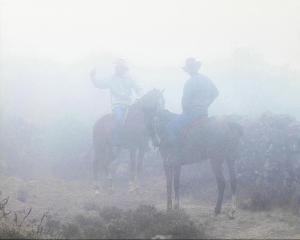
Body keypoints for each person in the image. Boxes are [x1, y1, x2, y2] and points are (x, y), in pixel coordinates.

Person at [166, 57, 219, 145]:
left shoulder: (190, 82)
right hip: (204, 113)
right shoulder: (206, 79)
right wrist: (207, 104)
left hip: (191, 114)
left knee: (170, 127)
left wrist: (185, 111)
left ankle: (175, 151)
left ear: (188, 70)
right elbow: (216, 93)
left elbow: (185, 101)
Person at [90, 59, 141, 145]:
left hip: (129, 105)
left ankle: (141, 142)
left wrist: (139, 92)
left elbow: (137, 88)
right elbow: (99, 84)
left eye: (122, 68)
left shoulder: (129, 79)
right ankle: (118, 139)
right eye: (118, 68)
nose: (119, 69)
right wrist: (92, 77)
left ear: (124, 69)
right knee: (119, 119)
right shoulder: (111, 79)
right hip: (118, 105)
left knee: (140, 120)